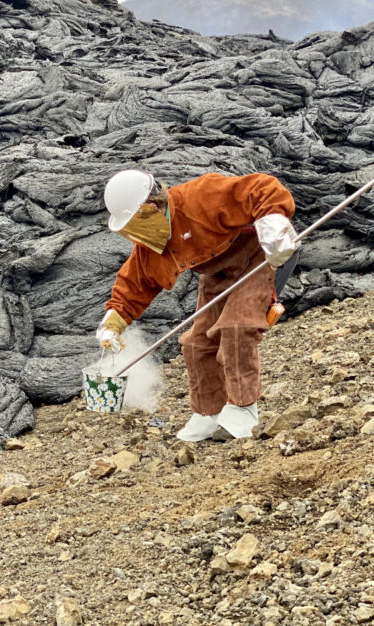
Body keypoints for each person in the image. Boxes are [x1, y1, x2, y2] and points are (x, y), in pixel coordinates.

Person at [95, 170, 298, 441]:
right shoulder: (154, 243)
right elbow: (135, 283)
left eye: (134, 223)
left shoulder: (201, 197)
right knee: (196, 343)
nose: (135, 235)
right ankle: (208, 413)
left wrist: (274, 224)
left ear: (151, 207)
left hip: (259, 257)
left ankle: (243, 409)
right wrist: (112, 324)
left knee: (237, 327)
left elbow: (261, 187)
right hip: (217, 274)